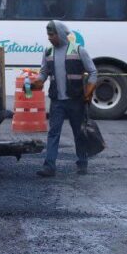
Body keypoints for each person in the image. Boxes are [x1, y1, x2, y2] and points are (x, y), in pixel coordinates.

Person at [30, 20, 97, 177]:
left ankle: (82, 163)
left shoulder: (79, 50)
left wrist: (88, 92)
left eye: (51, 34)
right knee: (53, 133)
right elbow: (44, 72)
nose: (49, 38)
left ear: (60, 34)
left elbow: (93, 72)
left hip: (76, 100)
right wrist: (38, 81)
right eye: (48, 34)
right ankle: (49, 167)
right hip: (57, 101)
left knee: (79, 133)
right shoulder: (48, 52)